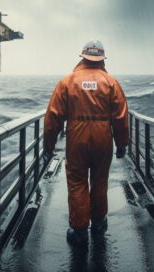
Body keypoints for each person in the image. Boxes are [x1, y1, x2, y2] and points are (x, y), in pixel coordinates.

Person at [43, 40, 129, 245]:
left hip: (77, 137)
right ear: (102, 59)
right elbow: (121, 117)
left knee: (77, 182)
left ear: (82, 57)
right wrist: (121, 144)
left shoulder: (67, 82)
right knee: (100, 180)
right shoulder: (111, 83)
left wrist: (48, 147)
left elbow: (52, 117)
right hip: (102, 137)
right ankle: (99, 223)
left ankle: (80, 231)